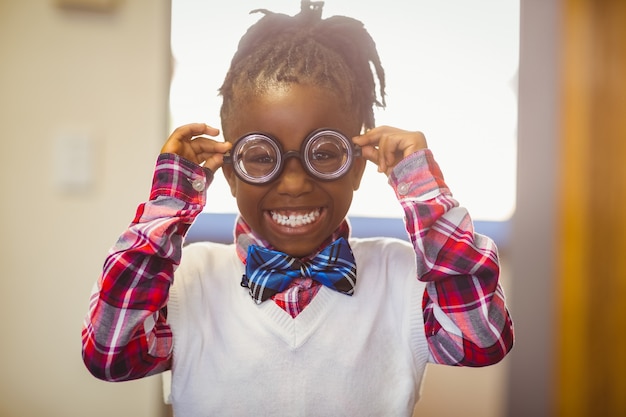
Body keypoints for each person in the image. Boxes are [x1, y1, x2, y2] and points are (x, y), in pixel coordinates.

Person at [81, 1, 514, 416]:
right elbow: (111, 354)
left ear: (357, 168)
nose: (293, 182)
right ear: (229, 174)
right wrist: (172, 199)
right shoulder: (188, 281)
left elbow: (482, 341)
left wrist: (421, 187)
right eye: (262, 157)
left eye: (324, 154)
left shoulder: (400, 277)